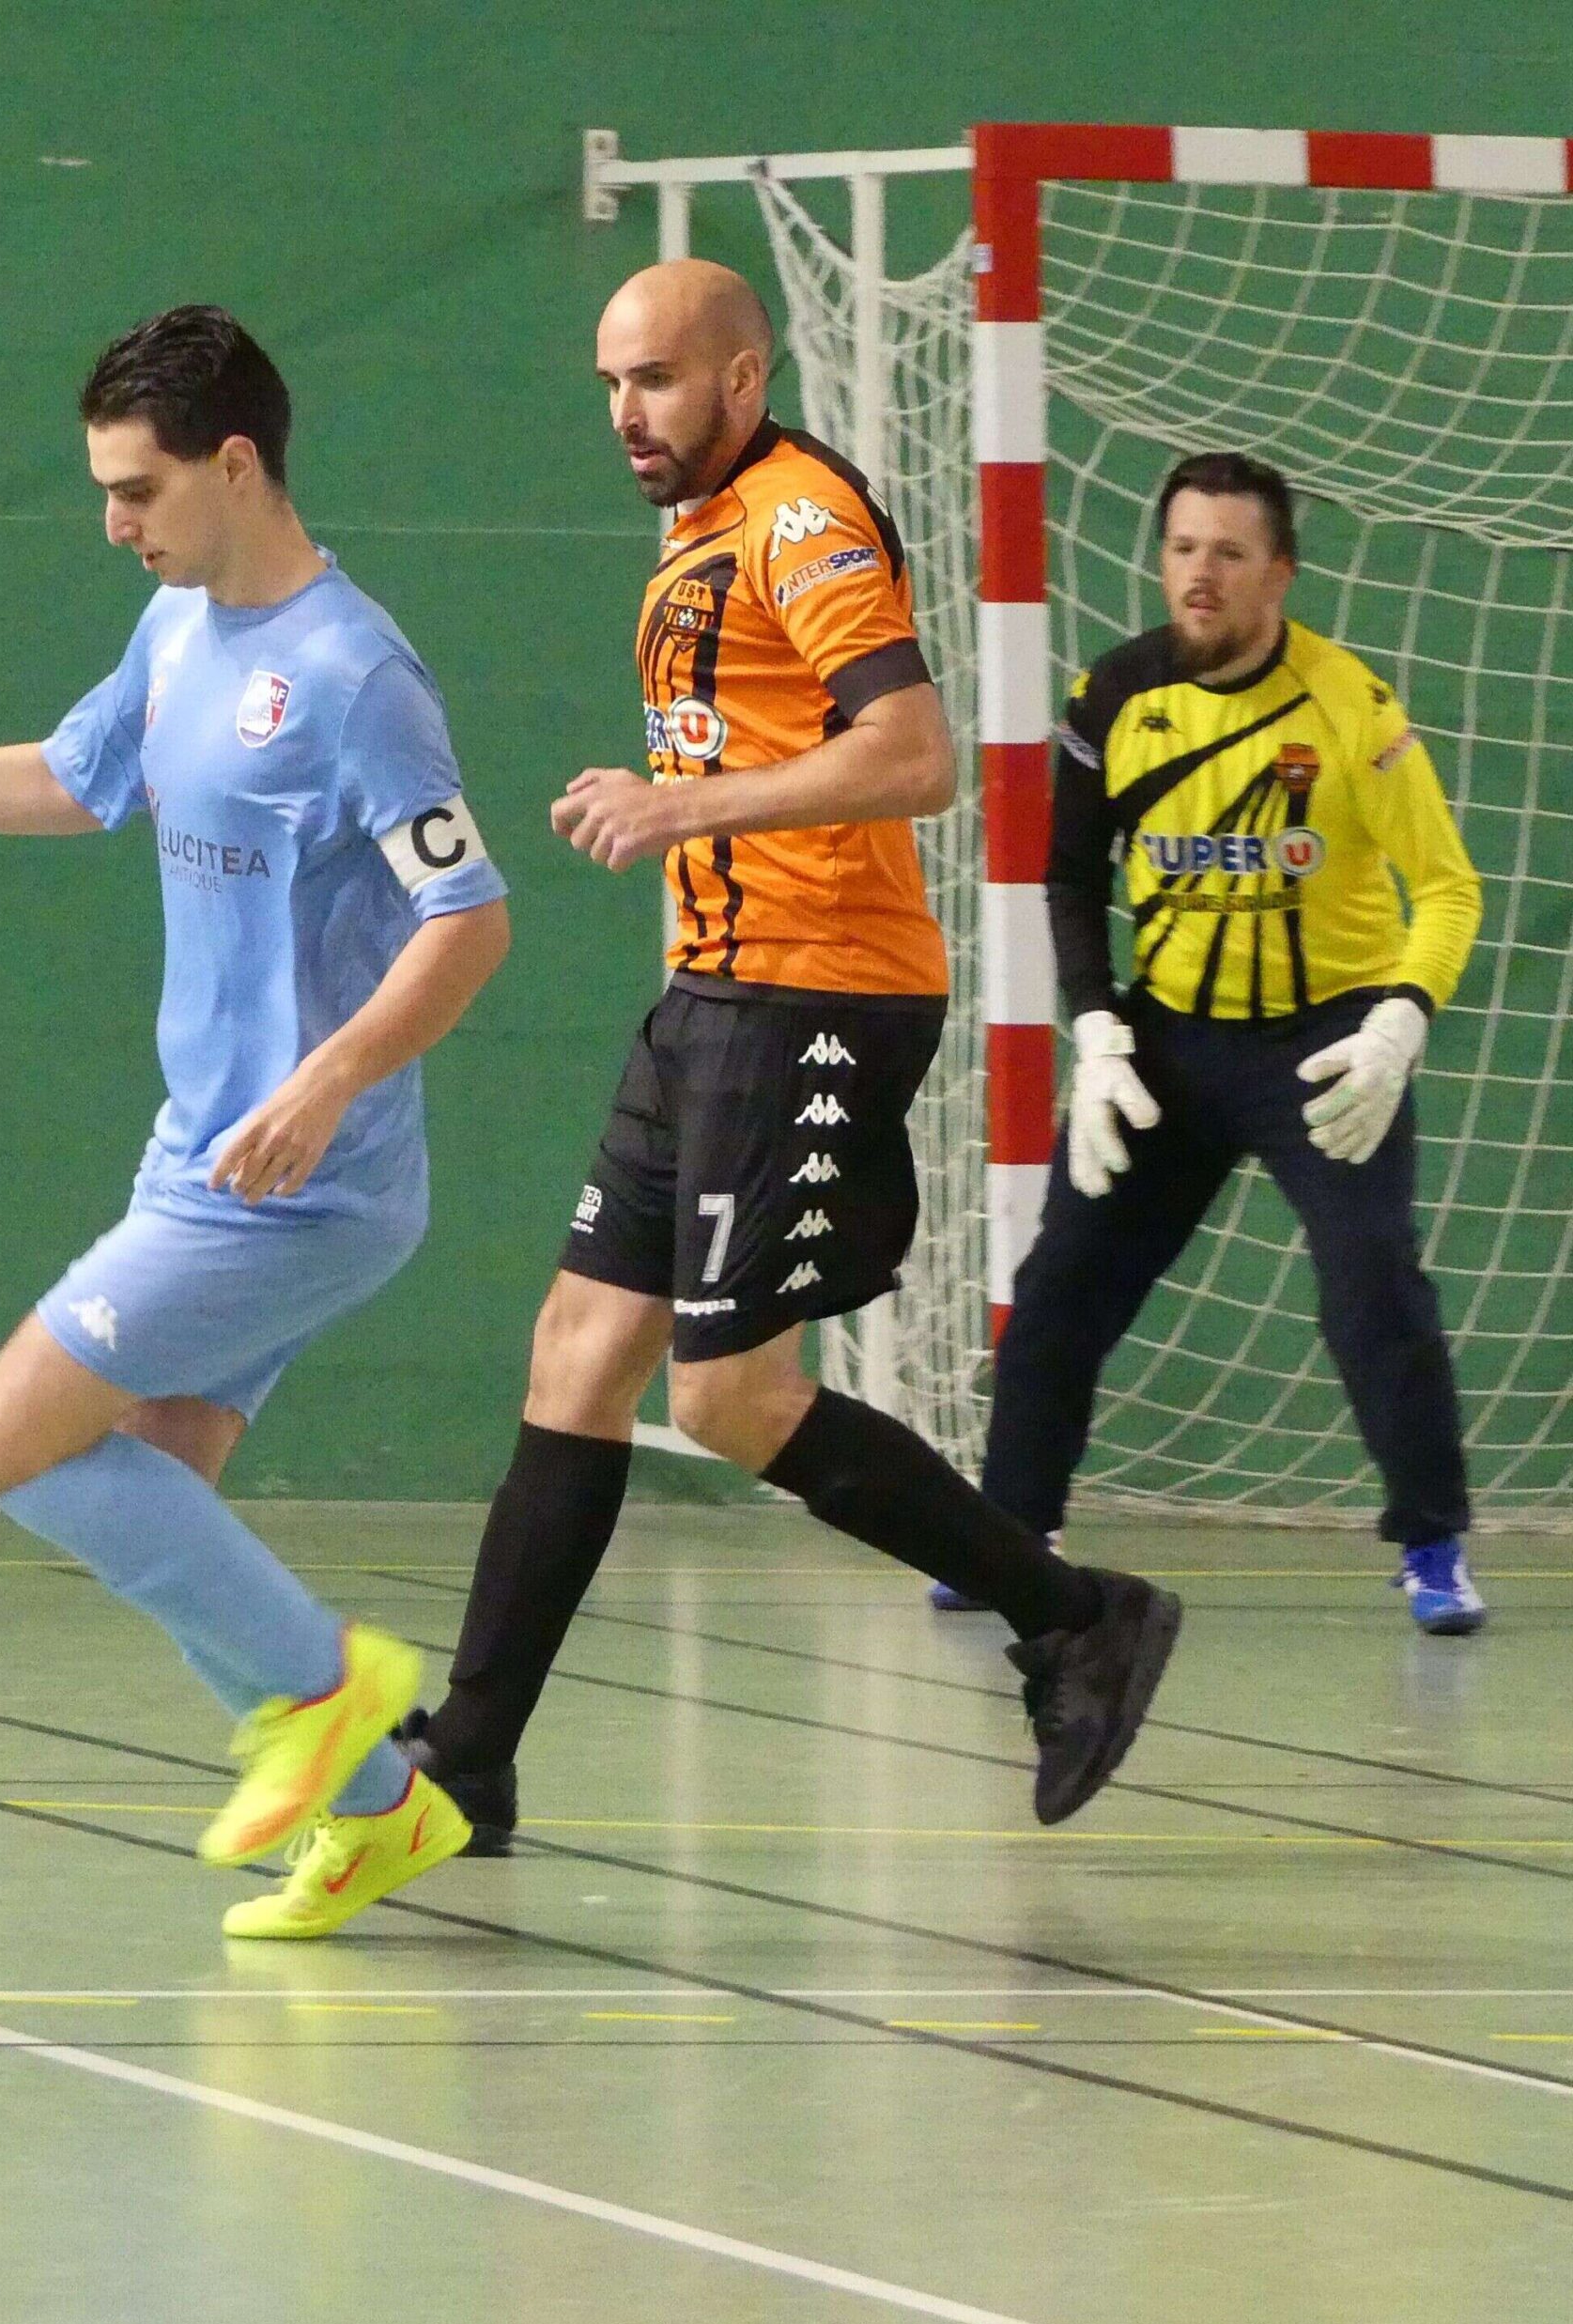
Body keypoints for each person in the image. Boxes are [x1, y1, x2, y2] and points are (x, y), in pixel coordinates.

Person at [0, 304, 512, 1932]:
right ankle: (375, 1814)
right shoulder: (175, 633)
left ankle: (332, 1695)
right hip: (199, 1151)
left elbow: (471, 924)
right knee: (152, 1485)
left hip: (306, 1181)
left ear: (239, 466)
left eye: (139, 490)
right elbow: (74, 781)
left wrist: (328, 1080)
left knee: (12, 1434)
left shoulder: (357, 676)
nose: (114, 523)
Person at [396, 260, 1181, 1858]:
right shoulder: (700, 523)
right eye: (611, 385)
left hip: (816, 993)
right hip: (716, 991)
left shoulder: (799, 518)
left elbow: (916, 755)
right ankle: (470, 1761)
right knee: (576, 1357)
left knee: (731, 1395)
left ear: (744, 377)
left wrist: (679, 806)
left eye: (658, 380)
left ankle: (1076, 1616)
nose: (627, 414)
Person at [938, 451, 1486, 1633]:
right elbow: (1069, 875)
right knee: (1060, 1283)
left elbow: (1446, 888)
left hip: (1326, 1048)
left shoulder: (1353, 709)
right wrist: (1097, 1029)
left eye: (1230, 553)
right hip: (1164, 1044)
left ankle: (1432, 1546)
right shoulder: (1111, 696)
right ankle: (1010, 1534)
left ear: (1278, 574)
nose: (1201, 573)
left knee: (1373, 1284)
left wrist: (1398, 1025)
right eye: (1183, 548)